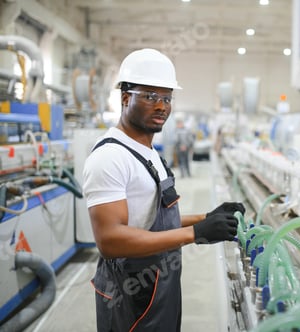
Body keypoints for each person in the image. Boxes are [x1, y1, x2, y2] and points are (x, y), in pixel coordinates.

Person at [82, 48, 245, 332]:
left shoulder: (148, 151)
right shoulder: (110, 157)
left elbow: (149, 221)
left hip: (159, 283)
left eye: (167, 98)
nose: (161, 106)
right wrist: (195, 234)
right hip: (130, 292)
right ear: (125, 98)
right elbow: (109, 239)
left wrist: (206, 218)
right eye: (150, 96)